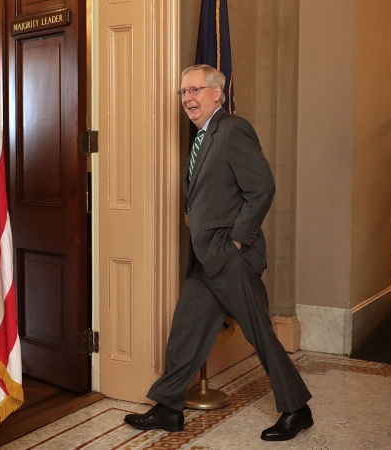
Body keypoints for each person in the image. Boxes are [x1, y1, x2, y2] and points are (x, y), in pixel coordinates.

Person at [123, 64, 313, 442]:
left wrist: (238, 240)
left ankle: (297, 409)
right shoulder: (202, 137)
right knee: (186, 330)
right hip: (205, 256)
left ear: (217, 94)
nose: (188, 99)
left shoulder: (232, 129)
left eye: (195, 90)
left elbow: (262, 188)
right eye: (183, 93)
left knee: (259, 332)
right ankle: (168, 408)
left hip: (229, 256)